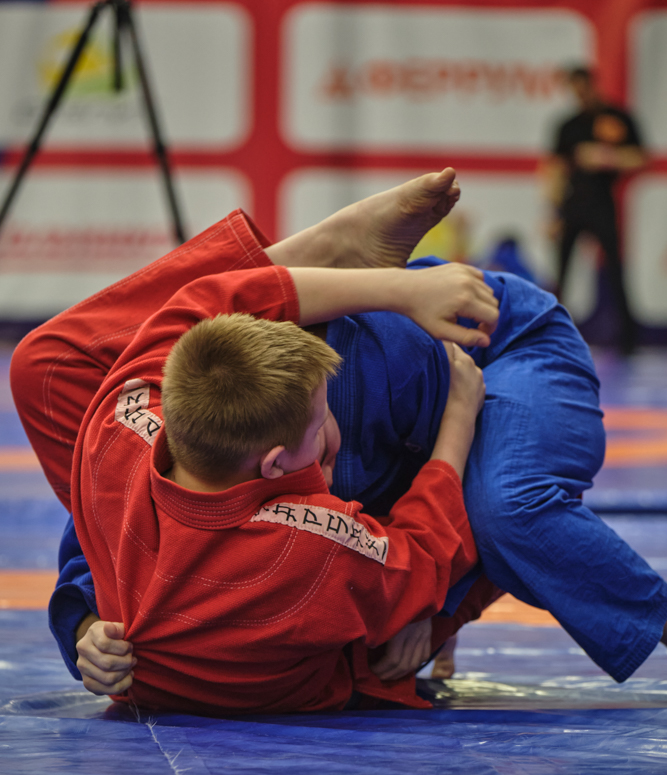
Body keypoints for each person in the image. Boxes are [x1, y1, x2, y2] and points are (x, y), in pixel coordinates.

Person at [15, 171, 667, 707]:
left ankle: (334, 248)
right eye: (319, 423)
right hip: (382, 365)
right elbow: (101, 533)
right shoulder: (123, 451)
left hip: (497, 342)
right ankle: (336, 259)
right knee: (44, 367)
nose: (329, 433)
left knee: (507, 511)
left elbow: (430, 542)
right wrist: (84, 622)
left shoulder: (369, 395)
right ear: (274, 464)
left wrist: (434, 604)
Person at [549, 65, 647, 355]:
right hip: (572, 204)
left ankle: (628, 340)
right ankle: (549, 335)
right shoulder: (569, 125)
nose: (581, 96)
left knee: (615, 269)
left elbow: (640, 157)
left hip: (602, 204)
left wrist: (606, 158)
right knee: (561, 273)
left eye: (584, 89)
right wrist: (554, 212)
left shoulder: (617, 118)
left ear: (593, 85)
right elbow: (555, 169)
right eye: (575, 91)